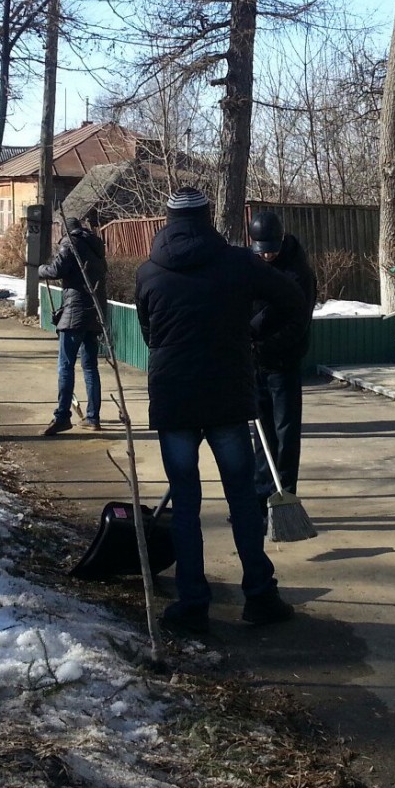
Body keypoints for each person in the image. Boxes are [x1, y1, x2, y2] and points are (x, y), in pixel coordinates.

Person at [135, 186, 306, 634]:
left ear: (167, 219)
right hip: (228, 398)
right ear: (209, 217)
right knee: (242, 501)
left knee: (187, 505)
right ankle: (259, 597)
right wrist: (250, 335)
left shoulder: (149, 271)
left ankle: (193, 605)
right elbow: (291, 301)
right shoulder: (237, 262)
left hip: (175, 402)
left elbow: (150, 332)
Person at [247, 212, 317, 514]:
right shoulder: (251, 267)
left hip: (284, 362)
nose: (266, 254)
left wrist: (265, 346)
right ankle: (261, 495)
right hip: (255, 364)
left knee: (286, 433)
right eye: (261, 249)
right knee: (261, 435)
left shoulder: (299, 273)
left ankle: (285, 495)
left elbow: (297, 324)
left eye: (271, 248)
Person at [37, 216, 107, 435]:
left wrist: (41, 269)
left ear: (64, 230)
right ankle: (93, 417)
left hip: (75, 313)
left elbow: (57, 270)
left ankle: (62, 416)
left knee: (65, 366)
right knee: (90, 367)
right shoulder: (95, 246)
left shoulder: (70, 242)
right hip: (94, 313)